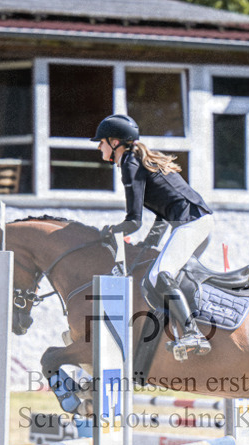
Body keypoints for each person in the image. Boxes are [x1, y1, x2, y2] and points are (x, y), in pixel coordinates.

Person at [92, 114, 214, 358]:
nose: (98, 146)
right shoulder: (138, 159)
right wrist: (150, 243)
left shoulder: (129, 163)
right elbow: (162, 212)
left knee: (159, 276)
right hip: (197, 223)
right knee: (163, 277)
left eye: (101, 142)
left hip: (191, 224)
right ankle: (182, 333)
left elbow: (133, 221)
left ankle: (192, 333)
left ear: (115, 142)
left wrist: (109, 232)